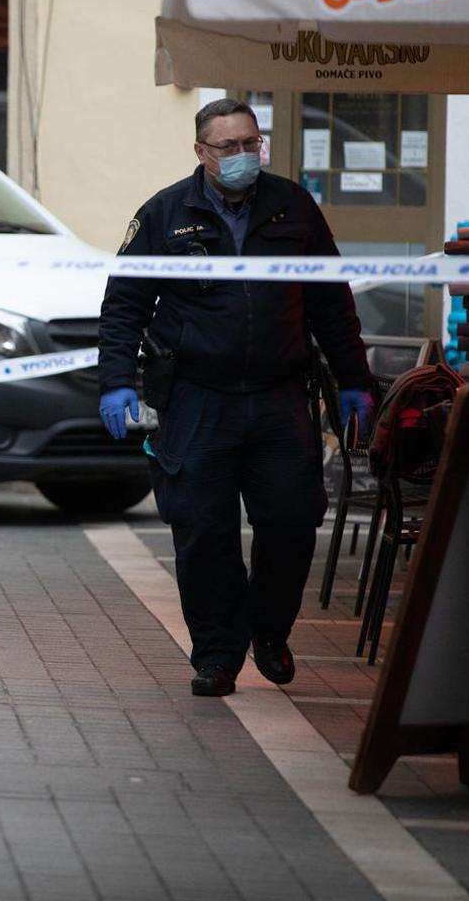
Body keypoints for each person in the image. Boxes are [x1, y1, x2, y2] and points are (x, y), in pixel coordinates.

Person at [97, 98, 373, 698]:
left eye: (252, 144)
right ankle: (218, 654)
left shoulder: (293, 206)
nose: (244, 156)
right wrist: (116, 380)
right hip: (198, 398)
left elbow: (332, 300)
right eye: (229, 147)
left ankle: (268, 629)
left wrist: (355, 379)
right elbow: (123, 306)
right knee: (202, 530)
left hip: (277, 396)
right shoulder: (166, 215)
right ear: (201, 152)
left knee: (293, 518)